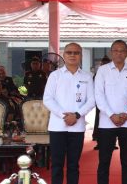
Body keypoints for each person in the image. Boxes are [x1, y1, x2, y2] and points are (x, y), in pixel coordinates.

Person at [43, 43, 95, 184]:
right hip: (57, 127)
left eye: (76, 53)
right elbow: (47, 99)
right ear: (64, 55)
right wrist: (63, 115)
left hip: (77, 127)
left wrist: (77, 115)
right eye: (69, 52)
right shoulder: (55, 75)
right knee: (57, 165)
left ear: (81, 56)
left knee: (73, 165)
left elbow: (91, 100)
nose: (72, 55)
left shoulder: (87, 76)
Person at [95, 40, 127, 184]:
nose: (119, 53)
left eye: (122, 50)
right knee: (104, 162)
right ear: (111, 52)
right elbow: (99, 96)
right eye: (116, 50)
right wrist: (111, 115)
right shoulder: (102, 71)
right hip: (106, 123)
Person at [92, 55, 112, 150]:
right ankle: (99, 142)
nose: (104, 65)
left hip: (112, 102)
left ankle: (112, 143)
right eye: (103, 64)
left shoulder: (113, 72)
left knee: (113, 122)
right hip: (101, 102)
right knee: (99, 121)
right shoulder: (99, 73)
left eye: (106, 63)